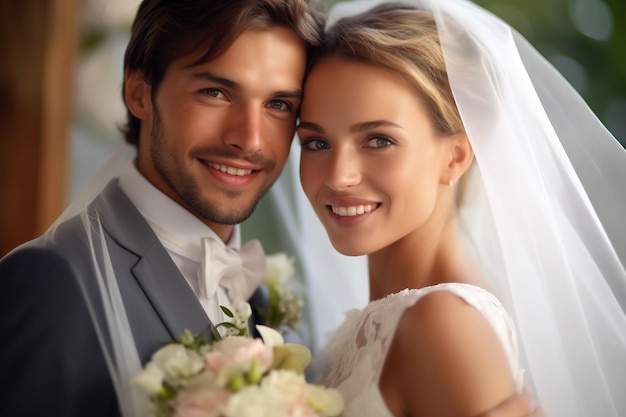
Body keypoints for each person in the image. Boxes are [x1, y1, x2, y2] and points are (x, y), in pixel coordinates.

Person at [295, 0, 626, 416]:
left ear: (455, 156)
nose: (338, 176)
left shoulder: (443, 324)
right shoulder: (396, 321)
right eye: (316, 142)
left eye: (378, 140)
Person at [0, 1, 324, 416]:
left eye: (278, 104)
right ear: (139, 94)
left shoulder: (266, 297)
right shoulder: (48, 283)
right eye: (216, 92)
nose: (251, 139)